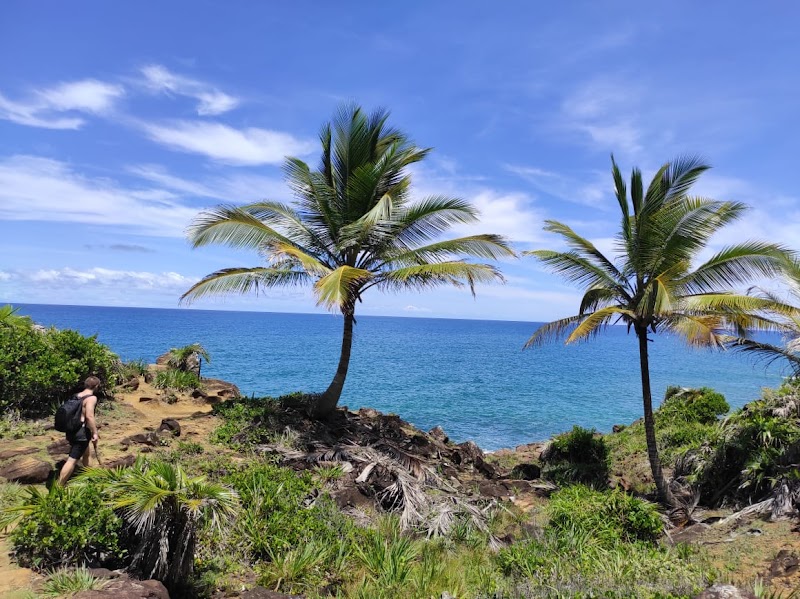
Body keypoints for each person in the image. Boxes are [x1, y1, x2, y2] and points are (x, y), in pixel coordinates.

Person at [58, 376, 101, 485]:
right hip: (81, 433)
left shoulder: (76, 396)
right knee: (72, 460)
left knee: (86, 453)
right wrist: (95, 432)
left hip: (72, 430)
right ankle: (59, 486)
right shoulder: (91, 398)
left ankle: (90, 477)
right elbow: (89, 416)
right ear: (96, 386)